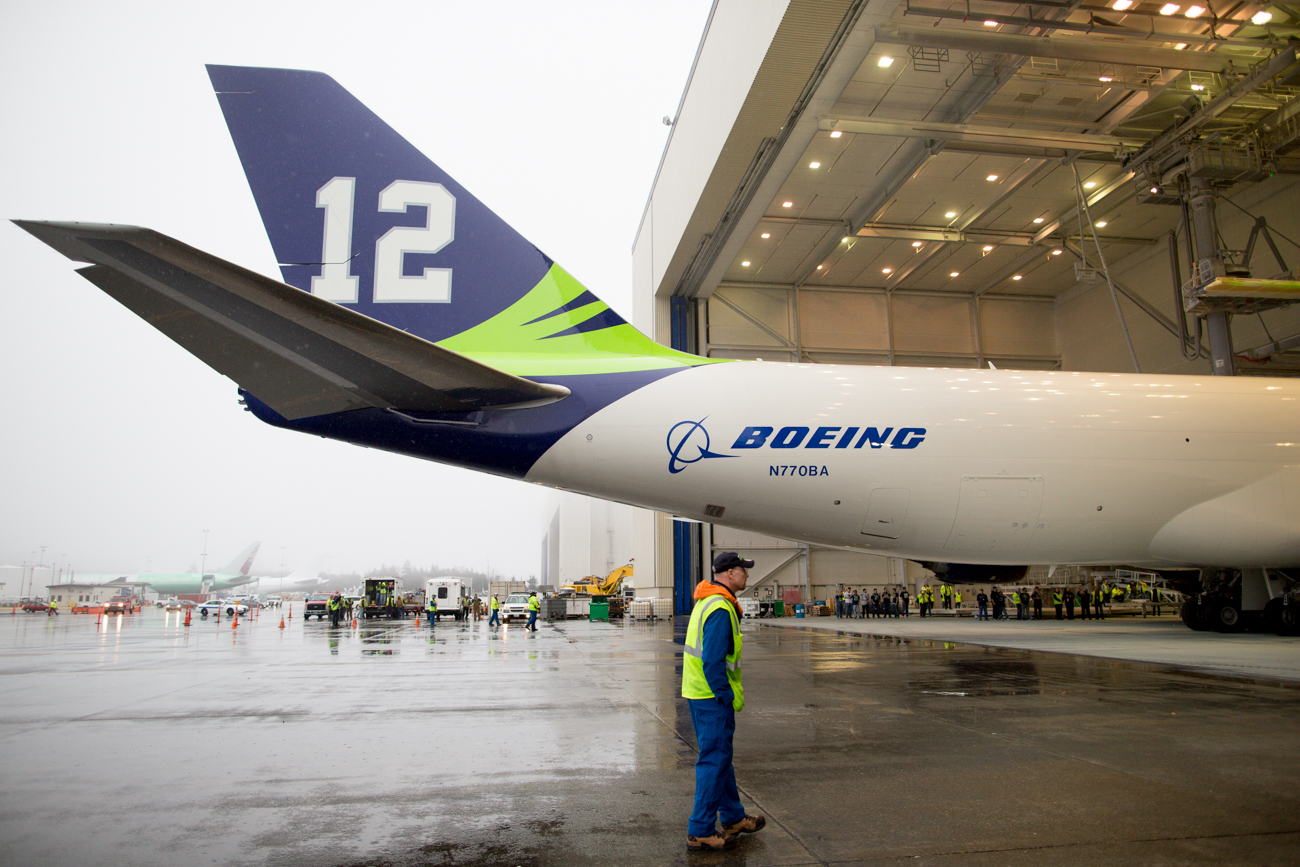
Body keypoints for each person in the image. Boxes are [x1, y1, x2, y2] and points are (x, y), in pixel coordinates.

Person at [682, 552, 765, 851]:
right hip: (711, 696)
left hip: (700, 693)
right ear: (730, 573)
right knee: (714, 760)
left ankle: (732, 817)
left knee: (721, 758)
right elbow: (713, 660)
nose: (747, 576)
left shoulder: (710, 600)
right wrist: (725, 695)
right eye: (744, 571)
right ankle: (700, 829)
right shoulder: (719, 607)